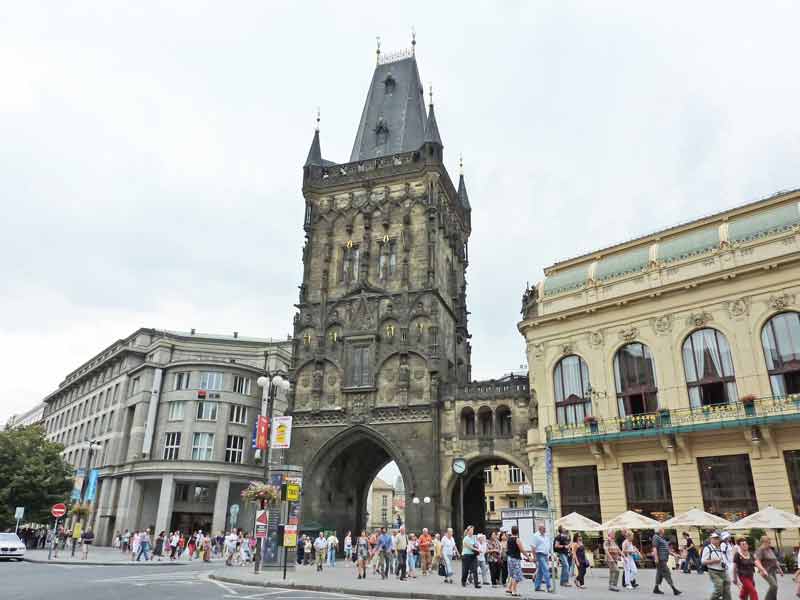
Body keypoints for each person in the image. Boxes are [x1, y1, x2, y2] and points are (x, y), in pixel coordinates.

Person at [653, 527, 682, 595]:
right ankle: (674, 589)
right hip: (660, 560)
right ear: (660, 530)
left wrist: (674, 554)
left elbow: (666, 549)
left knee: (660, 574)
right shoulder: (656, 537)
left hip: (663, 559)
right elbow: (654, 548)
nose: (664, 529)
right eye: (663, 528)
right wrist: (656, 558)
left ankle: (656, 588)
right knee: (667, 573)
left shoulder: (661, 538)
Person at [703, 532, 732, 600]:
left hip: (723, 570)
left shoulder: (722, 547)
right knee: (719, 587)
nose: (716, 540)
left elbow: (727, 557)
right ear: (711, 539)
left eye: (718, 538)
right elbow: (703, 561)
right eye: (715, 538)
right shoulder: (708, 548)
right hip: (713, 571)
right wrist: (714, 561)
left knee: (727, 588)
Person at [754, 535, 783, 600]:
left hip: (773, 571)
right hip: (766, 572)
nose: (770, 544)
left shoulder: (769, 549)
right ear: (764, 542)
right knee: (774, 586)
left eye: (770, 542)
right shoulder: (760, 550)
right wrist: (762, 570)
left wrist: (780, 569)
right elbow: (757, 562)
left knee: (775, 588)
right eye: (768, 542)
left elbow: (774, 560)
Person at [505, 525, 528, 597]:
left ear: (512, 531)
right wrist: (528, 557)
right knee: (517, 575)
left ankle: (509, 588)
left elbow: (506, 549)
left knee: (512, 574)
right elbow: (522, 550)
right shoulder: (517, 539)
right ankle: (514, 591)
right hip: (515, 558)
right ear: (518, 531)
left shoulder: (508, 539)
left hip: (509, 558)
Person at [532, 522, 553, 593]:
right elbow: (533, 547)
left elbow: (548, 546)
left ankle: (537, 587)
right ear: (540, 529)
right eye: (543, 528)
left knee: (540, 572)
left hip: (546, 555)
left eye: (545, 528)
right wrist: (534, 557)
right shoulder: (536, 536)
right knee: (546, 569)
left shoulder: (546, 535)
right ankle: (549, 587)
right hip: (540, 554)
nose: (545, 529)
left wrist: (552, 554)